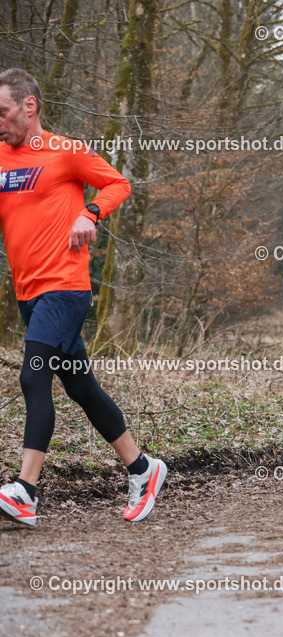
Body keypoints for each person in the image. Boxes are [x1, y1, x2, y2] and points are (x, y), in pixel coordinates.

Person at [0, 68, 166, 525]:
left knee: (34, 377)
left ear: (28, 107)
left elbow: (118, 183)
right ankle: (143, 468)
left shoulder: (65, 151)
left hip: (65, 287)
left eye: (3, 111)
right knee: (80, 386)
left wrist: (90, 212)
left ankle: (25, 491)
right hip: (29, 293)